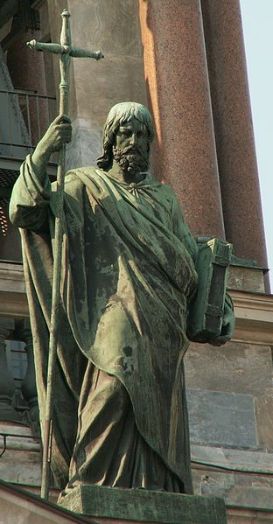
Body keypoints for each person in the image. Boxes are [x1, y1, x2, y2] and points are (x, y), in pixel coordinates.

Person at [9, 102, 233, 495]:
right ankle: (89, 480)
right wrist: (43, 151)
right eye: (126, 134)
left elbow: (188, 258)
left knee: (156, 410)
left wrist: (220, 306)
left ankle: (153, 486)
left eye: (142, 135)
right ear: (111, 141)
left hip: (163, 320)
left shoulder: (164, 200)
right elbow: (25, 211)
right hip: (114, 312)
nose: (134, 142)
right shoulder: (84, 185)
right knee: (112, 384)